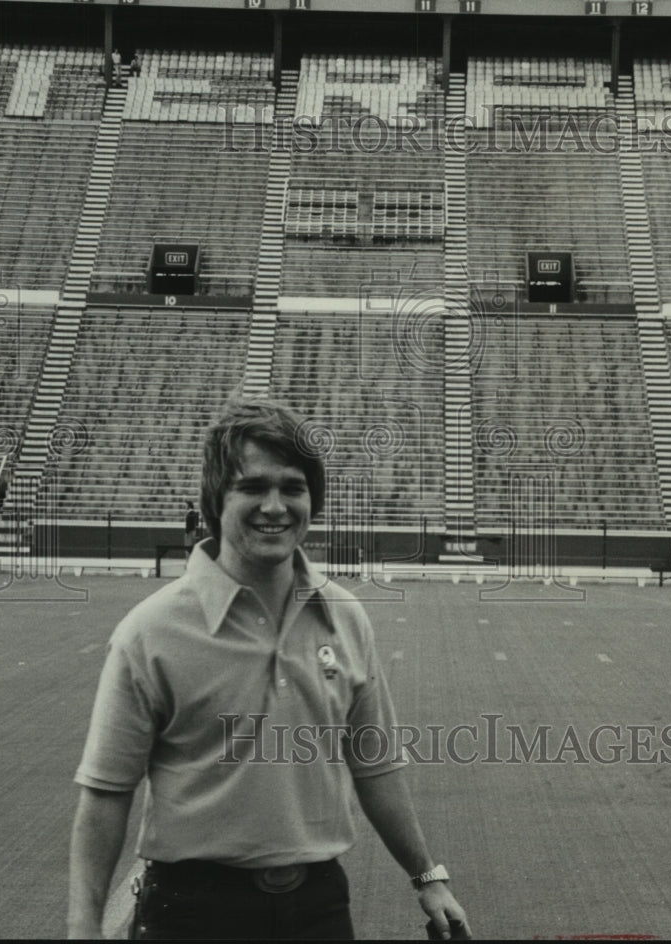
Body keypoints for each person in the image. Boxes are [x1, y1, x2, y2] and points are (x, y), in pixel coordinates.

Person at [68, 397, 470, 941]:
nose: (275, 506)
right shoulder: (151, 631)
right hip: (191, 913)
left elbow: (374, 765)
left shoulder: (346, 617)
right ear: (217, 499)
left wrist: (428, 878)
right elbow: (107, 792)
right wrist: (83, 927)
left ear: (313, 499)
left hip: (319, 907)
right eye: (253, 488)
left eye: (292, 487)